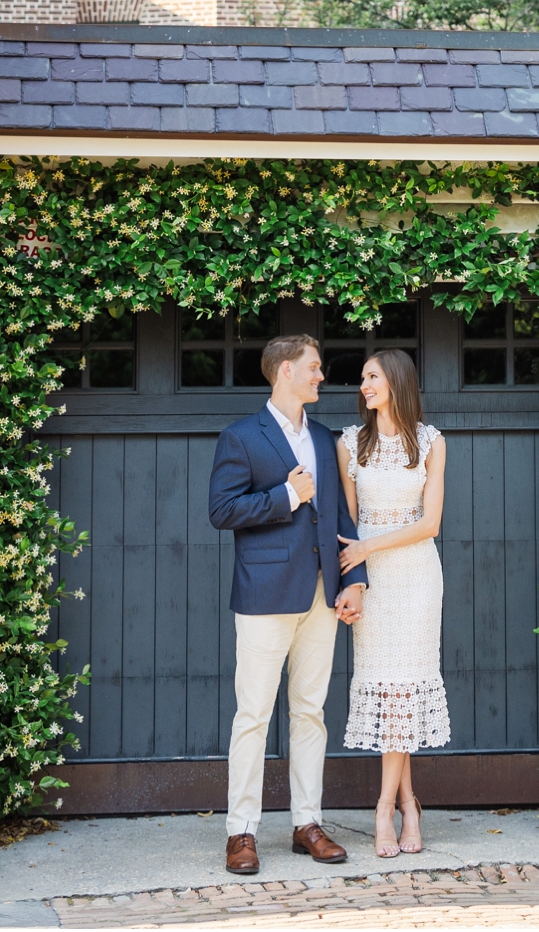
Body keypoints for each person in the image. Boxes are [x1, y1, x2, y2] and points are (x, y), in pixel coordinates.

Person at [207, 334, 368, 877]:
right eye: (314, 368)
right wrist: (287, 496)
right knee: (252, 715)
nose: (322, 376)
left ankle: (307, 823)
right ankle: (241, 832)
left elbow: (344, 517)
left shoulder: (325, 439)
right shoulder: (240, 437)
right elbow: (222, 510)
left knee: (310, 713)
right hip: (264, 595)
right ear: (284, 373)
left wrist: (357, 580)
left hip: (323, 596)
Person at [337, 348, 450, 858]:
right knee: (388, 691)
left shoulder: (430, 441)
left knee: (405, 690)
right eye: (362, 378)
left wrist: (367, 545)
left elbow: (430, 525)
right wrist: (354, 578)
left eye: (373, 376)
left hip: (418, 578)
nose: (364, 385)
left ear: (397, 381)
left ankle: (384, 807)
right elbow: (348, 524)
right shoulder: (349, 445)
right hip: (373, 584)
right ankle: (409, 804)